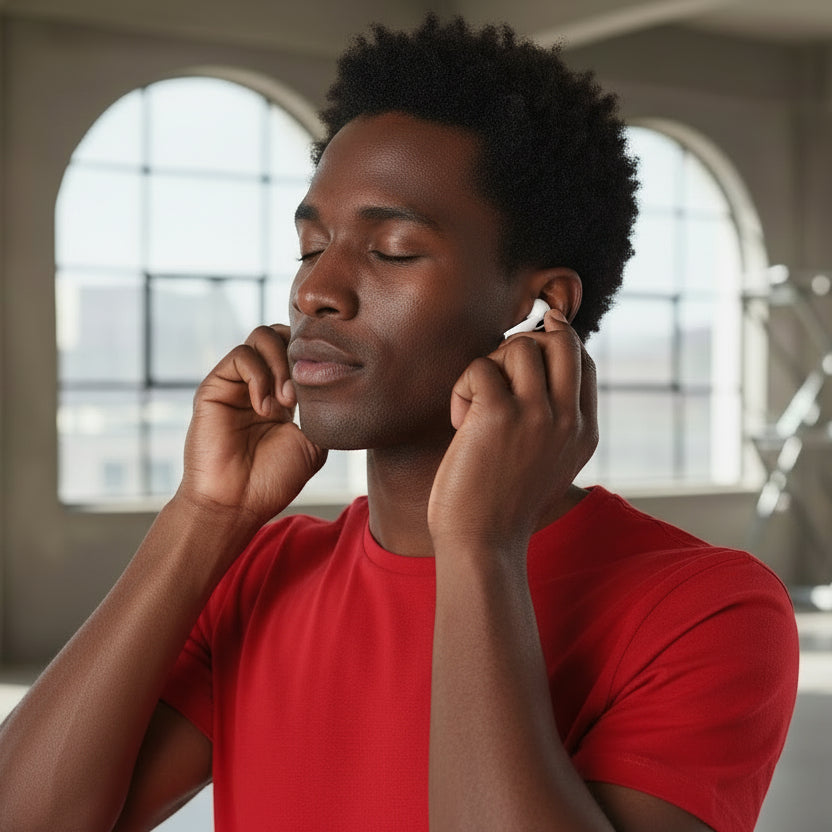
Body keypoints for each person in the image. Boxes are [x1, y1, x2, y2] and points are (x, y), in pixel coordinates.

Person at [0, 14, 798, 832]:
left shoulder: (705, 612)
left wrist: (480, 550)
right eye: (312, 247)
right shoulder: (262, 574)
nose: (317, 291)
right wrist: (204, 516)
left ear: (540, 307)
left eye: (391, 251)